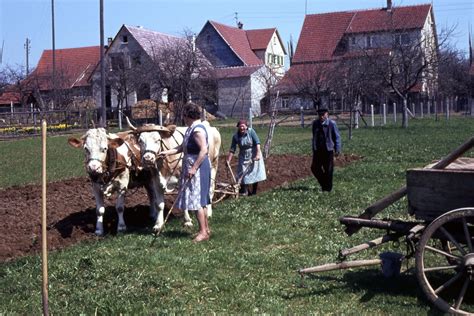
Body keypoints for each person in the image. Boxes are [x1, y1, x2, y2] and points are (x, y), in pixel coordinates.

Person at [160, 102, 211, 242]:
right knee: (200, 200)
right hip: (193, 165)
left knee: (197, 201)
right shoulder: (191, 129)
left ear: (188, 115)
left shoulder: (197, 130)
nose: (182, 118)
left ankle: (202, 232)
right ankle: (206, 230)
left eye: (183, 115)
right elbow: (182, 147)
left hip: (198, 167)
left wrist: (194, 168)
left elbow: (204, 150)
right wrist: (167, 152)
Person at [226, 119, 266, 196]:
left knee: (254, 172)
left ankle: (254, 192)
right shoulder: (235, 136)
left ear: (246, 127)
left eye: (243, 127)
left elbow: (257, 143)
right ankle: (245, 191)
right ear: (238, 127)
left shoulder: (251, 132)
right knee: (242, 173)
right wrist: (228, 160)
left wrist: (257, 154)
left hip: (253, 153)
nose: (242, 129)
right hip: (243, 155)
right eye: (240, 127)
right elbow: (232, 149)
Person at [311, 108, 341, 192]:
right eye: (320, 115)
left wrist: (337, 149)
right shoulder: (315, 123)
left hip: (328, 150)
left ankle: (327, 189)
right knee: (314, 168)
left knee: (328, 170)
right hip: (318, 150)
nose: (321, 116)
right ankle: (324, 184)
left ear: (327, 114)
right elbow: (314, 137)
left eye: (323, 114)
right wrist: (314, 147)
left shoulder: (332, 124)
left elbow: (337, 137)